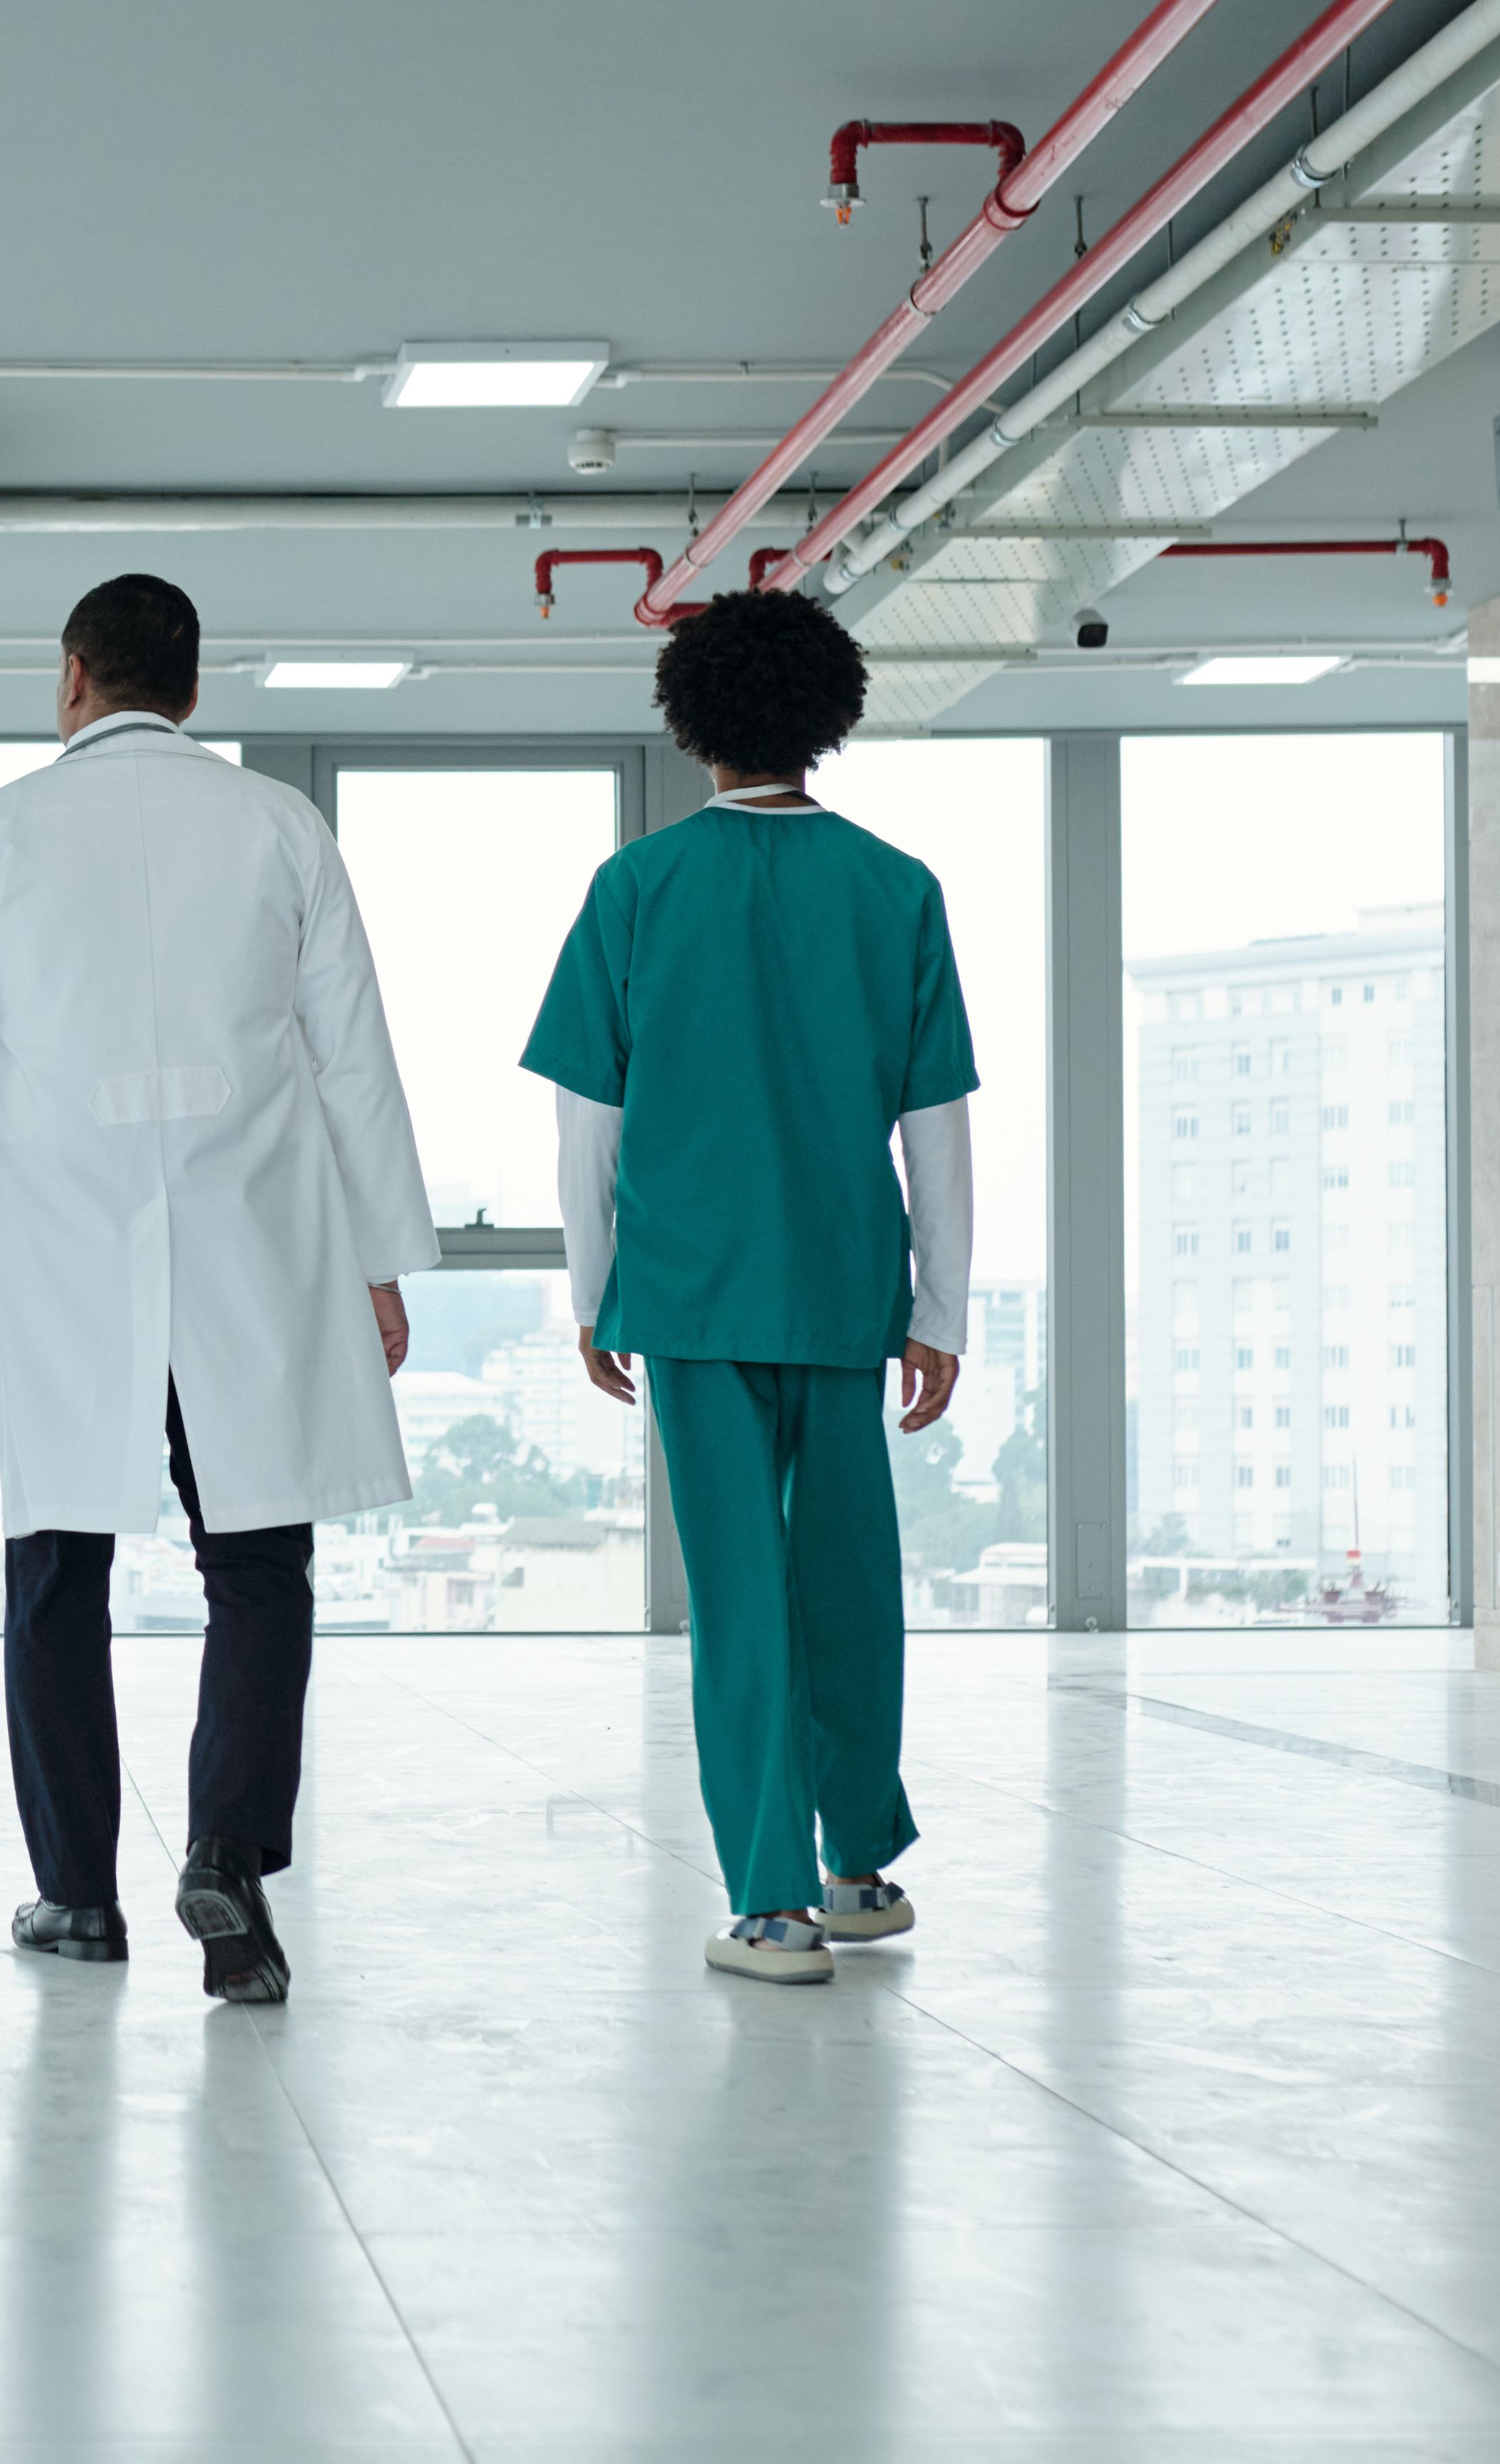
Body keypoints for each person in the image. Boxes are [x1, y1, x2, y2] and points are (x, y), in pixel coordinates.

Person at [0, 573, 434, 2005]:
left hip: (68, 1258)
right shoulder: (280, 828)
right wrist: (378, 1260)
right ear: (191, 686)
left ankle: (77, 1897)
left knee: (57, 1568)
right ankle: (227, 1851)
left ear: (72, 678)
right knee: (260, 1563)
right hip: (256, 1250)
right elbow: (354, 1055)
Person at [523, 587, 974, 1988]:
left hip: (692, 1294)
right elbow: (937, 1126)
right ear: (826, 721)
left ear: (692, 723)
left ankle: (773, 1906)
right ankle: (862, 1865)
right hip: (843, 1285)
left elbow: (588, 1127)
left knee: (738, 1595)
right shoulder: (897, 889)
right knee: (850, 1577)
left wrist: (594, 1293)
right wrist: (941, 1311)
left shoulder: (636, 888)